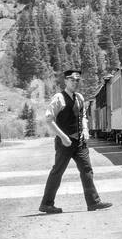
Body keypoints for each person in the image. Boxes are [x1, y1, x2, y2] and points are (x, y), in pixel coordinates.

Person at [39, 69, 112, 215]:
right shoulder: (59, 98)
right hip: (64, 142)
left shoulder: (79, 97)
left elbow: (83, 116)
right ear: (65, 81)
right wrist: (62, 137)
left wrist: (85, 132)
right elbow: (49, 119)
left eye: (77, 80)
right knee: (57, 172)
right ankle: (46, 204)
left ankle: (93, 202)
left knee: (87, 171)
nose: (75, 83)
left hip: (79, 142)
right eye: (72, 80)